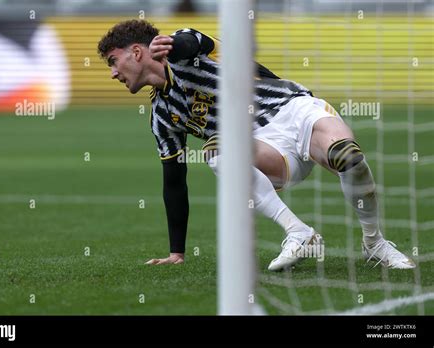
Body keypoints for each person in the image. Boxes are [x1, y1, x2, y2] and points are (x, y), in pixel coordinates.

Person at [97, 19, 415, 270]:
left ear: (136, 52)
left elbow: (190, 42)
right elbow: (175, 183)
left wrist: (173, 45)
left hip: (294, 109)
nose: (112, 74)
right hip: (264, 149)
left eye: (113, 61)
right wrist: (176, 252)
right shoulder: (162, 117)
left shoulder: (184, 51)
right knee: (217, 150)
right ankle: (300, 232)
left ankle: (374, 243)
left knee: (348, 156)